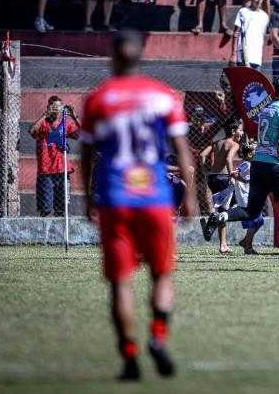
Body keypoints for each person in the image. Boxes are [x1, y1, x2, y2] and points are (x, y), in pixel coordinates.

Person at [80, 31, 195, 380]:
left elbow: (85, 154)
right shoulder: (163, 96)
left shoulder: (99, 99)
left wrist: (89, 198)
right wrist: (189, 194)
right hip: (157, 198)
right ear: (142, 55)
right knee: (161, 274)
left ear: (113, 58)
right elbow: (182, 148)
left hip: (115, 198)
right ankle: (158, 338)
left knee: (120, 283)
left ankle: (129, 356)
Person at [202, 78, 279, 262]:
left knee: (251, 211)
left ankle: (221, 215)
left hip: (258, 164)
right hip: (276, 165)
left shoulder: (265, 110)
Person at [29, 95, 80, 216]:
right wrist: (44, 115)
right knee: (45, 209)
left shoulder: (65, 124)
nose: (56, 110)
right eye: (54, 107)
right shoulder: (43, 124)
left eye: (59, 107)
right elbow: (32, 131)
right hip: (45, 169)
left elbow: (82, 135)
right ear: (48, 107)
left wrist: (74, 116)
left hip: (62, 169)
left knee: (61, 210)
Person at [200, 119, 244, 254]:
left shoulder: (216, 143)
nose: (241, 133)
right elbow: (229, 159)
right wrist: (231, 175)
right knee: (231, 208)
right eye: (240, 130)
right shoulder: (234, 144)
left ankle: (223, 244)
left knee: (221, 210)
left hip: (212, 177)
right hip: (224, 178)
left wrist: (205, 171)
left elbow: (202, 154)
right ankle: (212, 221)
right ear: (233, 131)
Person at [232, 140, 265, 254]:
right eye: (257, 151)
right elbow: (234, 173)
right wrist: (245, 180)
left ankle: (245, 241)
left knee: (260, 221)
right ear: (250, 154)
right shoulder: (246, 164)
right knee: (253, 221)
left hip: (252, 197)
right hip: (246, 198)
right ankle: (248, 247)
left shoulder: (252, 164)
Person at [230, 0, 269, 69]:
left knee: (255, 82)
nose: (259, 0)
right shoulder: (243, 12)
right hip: (243, 56)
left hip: (257, 58)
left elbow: (261, 37)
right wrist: (233, 54)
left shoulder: (265, 16)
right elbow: (236, 33)